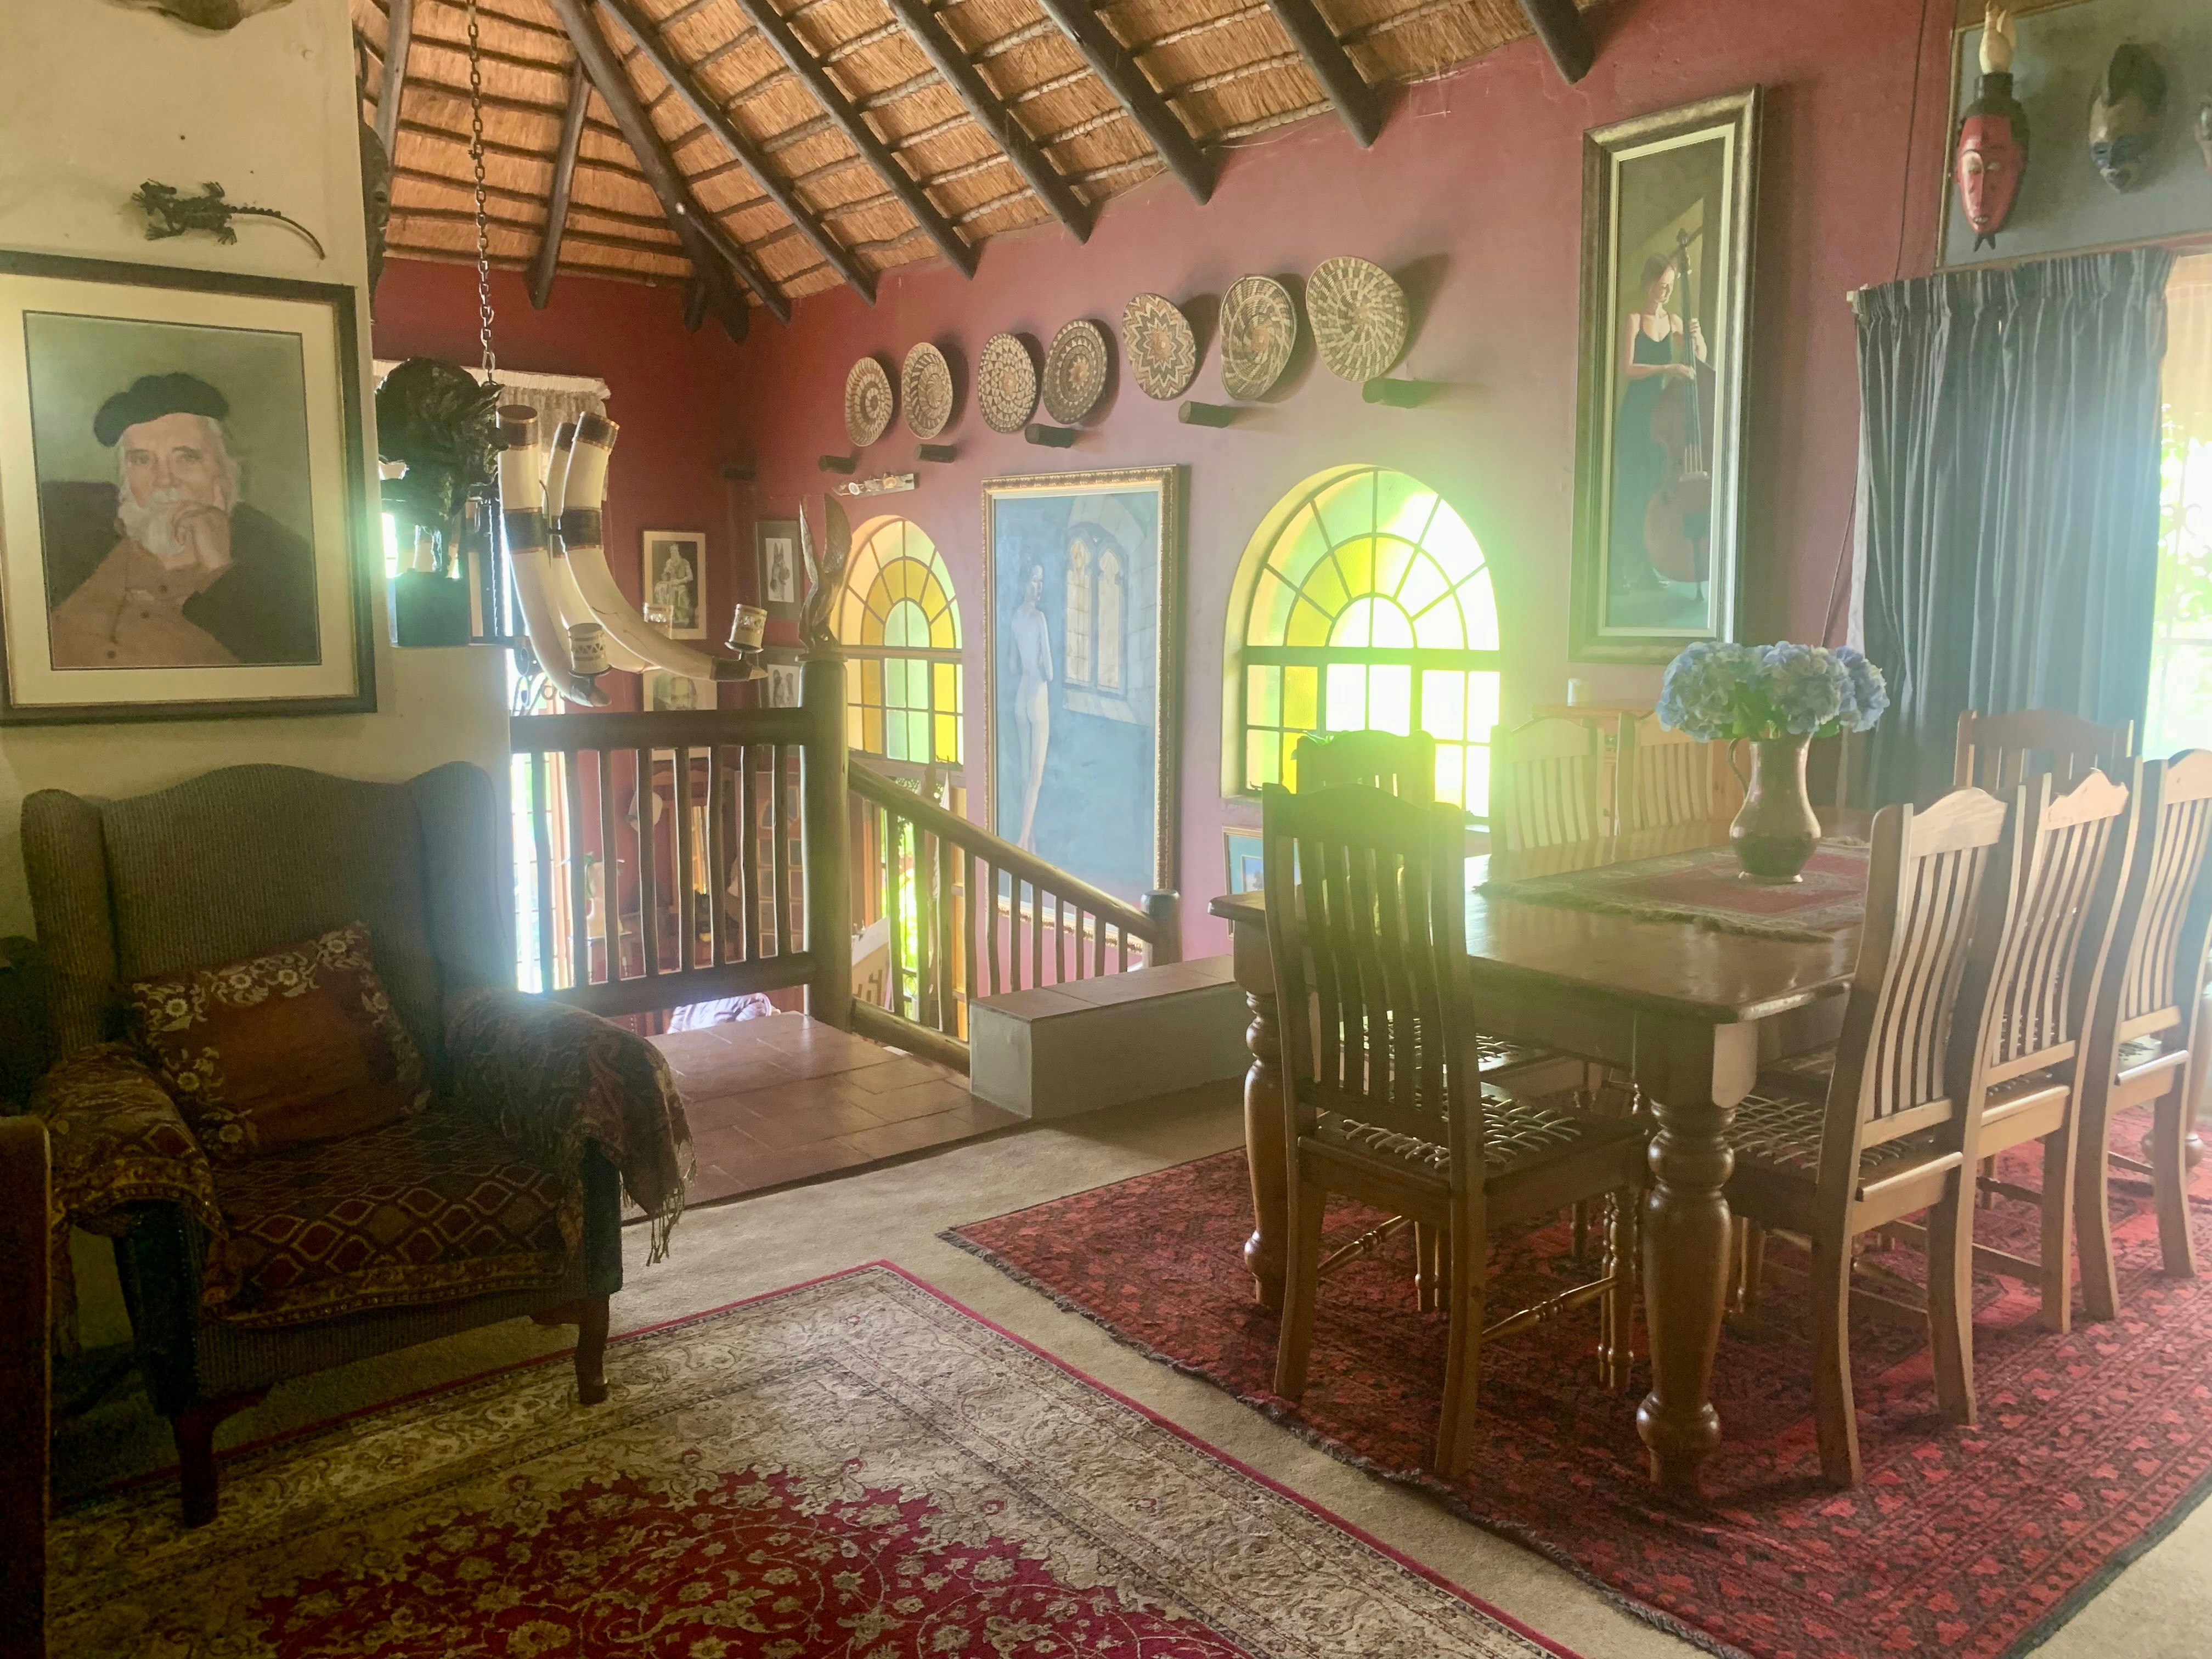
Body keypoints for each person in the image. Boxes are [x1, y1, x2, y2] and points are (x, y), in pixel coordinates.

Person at [43, 371, 317, 668]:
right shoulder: (75, 528)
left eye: (187, 458)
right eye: (142, 460)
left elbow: (299, 665)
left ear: (227, 469)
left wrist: (220, 571)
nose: (164, 481)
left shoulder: (285, 560)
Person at [1607, 253, 1708, 599]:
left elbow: (1698, 361)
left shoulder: (1674, 321)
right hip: (1636, 415)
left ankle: (1644, 568)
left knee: (1651, 493)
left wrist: (1697, 337)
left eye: (1670, 286)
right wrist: (1666, 369)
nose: (1666, 291)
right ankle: (1620, 570)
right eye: (1662, 285)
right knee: (1631, 493)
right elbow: (1628, 369)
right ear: (1649, 284)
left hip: (1661, 419)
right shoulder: (1634, 320)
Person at [1009, 560, 1053, 851]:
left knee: (1026, 773)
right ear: (1026, 582)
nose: (1039, 586)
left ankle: (1030, 837)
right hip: (1037, 694)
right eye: (1035, 580)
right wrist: (1041, 663)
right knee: (1035, 777)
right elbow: (1050, 671)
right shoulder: (1039, 619)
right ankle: (1023, 839)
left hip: (1021, 696)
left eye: (1041, 581)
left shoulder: (1015, 618)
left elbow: (1013, 665)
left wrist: (1028, 659)